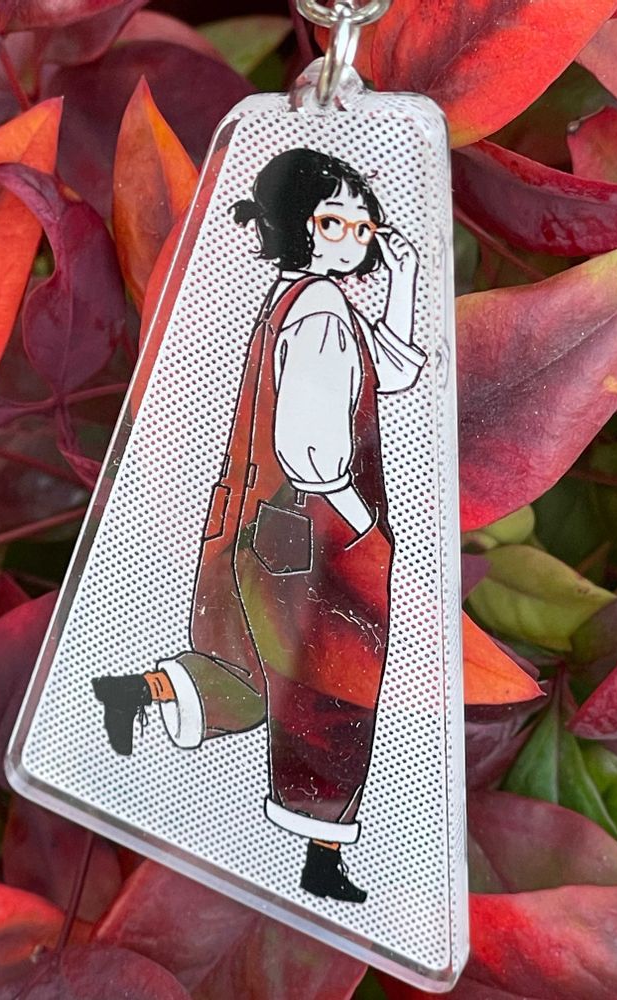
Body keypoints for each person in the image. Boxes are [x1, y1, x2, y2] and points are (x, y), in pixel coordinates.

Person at [92, 148, 425, 903]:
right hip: (318, 527)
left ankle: (137, 692)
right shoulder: (322, 311)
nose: (354, 237)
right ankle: (320, 861)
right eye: (333, 221)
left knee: (250, 660)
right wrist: (361, 523)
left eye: (363, 224)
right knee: (331, 689)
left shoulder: (297, 298)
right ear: (295, 223)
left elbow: (394, 369)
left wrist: (404, 281)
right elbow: (310, 446)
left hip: (268, 523)